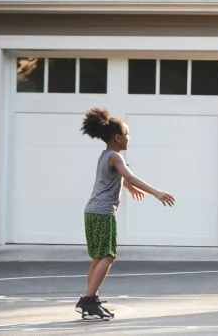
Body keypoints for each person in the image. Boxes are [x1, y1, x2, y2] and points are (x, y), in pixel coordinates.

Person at [76, 107, 176, 321]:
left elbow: (116, 179)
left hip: (92, 210)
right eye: (127, 134)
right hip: (103, 212)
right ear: (118, 137)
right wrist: (156, 192)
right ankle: (89, 300)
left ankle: (89, 300)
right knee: (108, 255)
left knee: (98, 257)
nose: (129, 138)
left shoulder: (106, 156)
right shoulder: (116, 157)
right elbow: (130, 177)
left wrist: (130, 190)